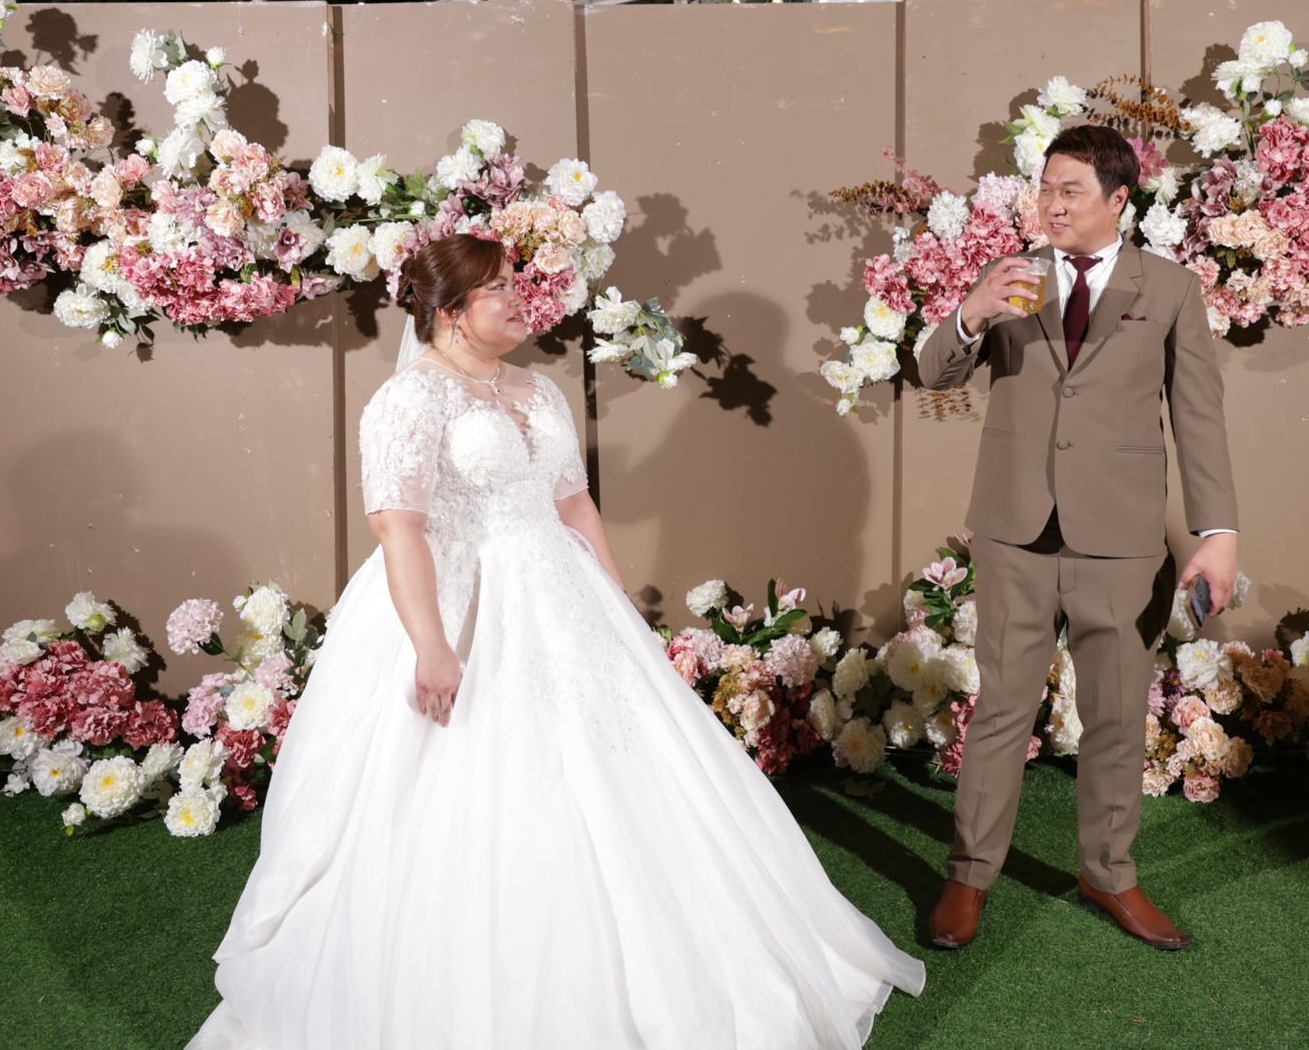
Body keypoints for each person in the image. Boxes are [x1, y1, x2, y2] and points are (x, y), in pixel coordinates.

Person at [191, 232, 924, 1049]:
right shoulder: (409, 399)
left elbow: (575, 506)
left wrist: (618, 610)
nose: (519, 298)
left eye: (515, 282)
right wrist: (432, 644)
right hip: (464, 602)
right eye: (499, 289)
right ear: (450, 311)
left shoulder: (538, 389)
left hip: (562, 595)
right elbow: (400, 527)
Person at [914, 124, 1239, 954]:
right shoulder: (1008, 276)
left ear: (1118, 199)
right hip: (1015, 533)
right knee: (1001, 709)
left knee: (1118, 717)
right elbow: (932, 372)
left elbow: (1198, 417)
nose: (1052, 205)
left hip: (1123, 543)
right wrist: (972, 312)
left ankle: (1109, 874)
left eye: (1071, 191)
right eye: (1045, 188)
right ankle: (969, 875)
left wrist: (1218, 532)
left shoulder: (1170, 289)